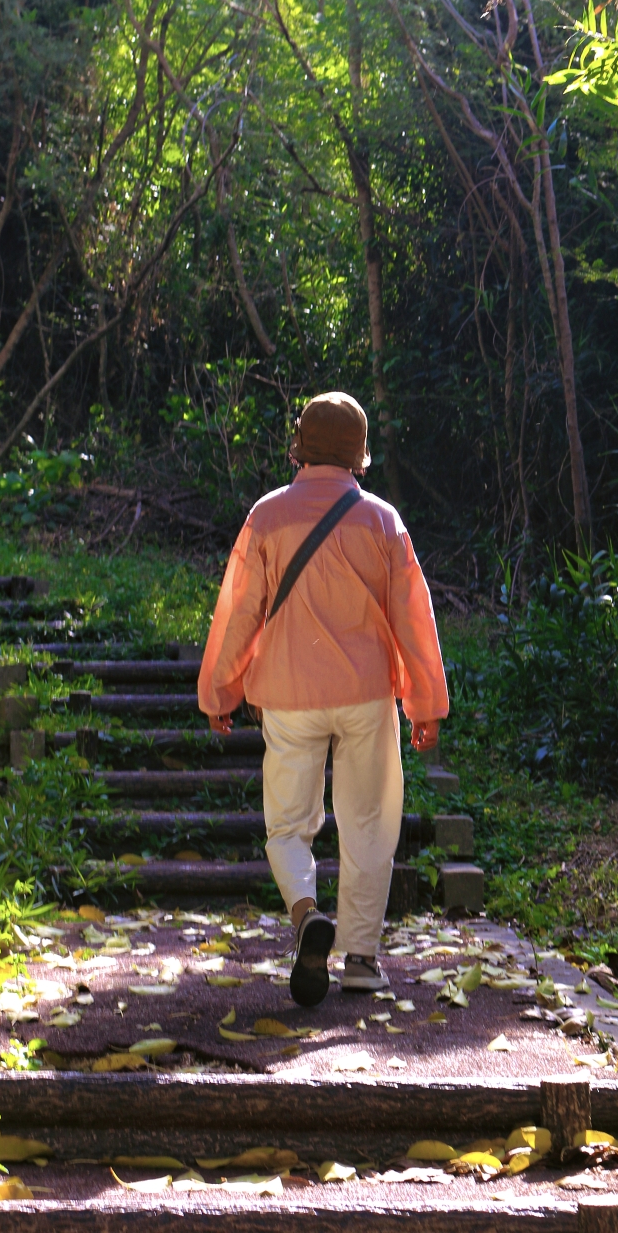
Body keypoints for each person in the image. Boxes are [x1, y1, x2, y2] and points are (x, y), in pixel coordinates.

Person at [197, 391, 449, 1007]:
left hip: (287, 695)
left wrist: (220, 691)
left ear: (300, 447)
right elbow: (414, 621)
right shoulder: (383, 522)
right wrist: (425, 705)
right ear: (360, 454)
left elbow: (238, 615)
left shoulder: (266, 516)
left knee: (286, 825)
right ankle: (361, 958)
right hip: (366, 695)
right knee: (369, 822)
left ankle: (307, 915)